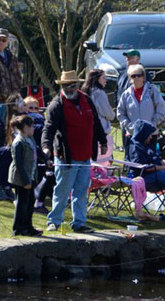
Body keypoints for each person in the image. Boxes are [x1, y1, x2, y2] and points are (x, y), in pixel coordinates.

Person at [42, 70, 107, 234]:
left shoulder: (87, 100)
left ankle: (79, 222)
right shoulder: (57, 105)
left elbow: (96, 123)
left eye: (72, 85)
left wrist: (103, 141)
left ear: (77, 85)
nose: (69, 88)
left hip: (85, 156)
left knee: (81, 192)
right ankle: (54, 221)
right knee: (62, 191)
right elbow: (48, 129)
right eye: (65, 86)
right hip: (66, 157)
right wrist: (46, 147)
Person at [8, 114, 43, 237]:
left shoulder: (30, 139)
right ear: (25, 128)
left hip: (31, 175)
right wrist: (26, 181)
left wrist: (46, 159)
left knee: (30, 203)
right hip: (21, 178)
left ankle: (28, 227)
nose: (34, 129)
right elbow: (19, 164)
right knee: (22, 204)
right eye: (32, 126)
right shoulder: (18, 143)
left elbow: (37, 150)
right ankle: (18, 229)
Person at [117, 64, 165, 139]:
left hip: (151, 135)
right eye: (133, 76)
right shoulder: (125, 94)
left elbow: (162, 110)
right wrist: (129, 126)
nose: (136, 78)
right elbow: (120, 113)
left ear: (143, 77)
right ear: (130, 78)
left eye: (139, 75)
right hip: (132, 135)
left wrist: (151, 126)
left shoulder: (153, 90)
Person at [82, 69, 115, 166]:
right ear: (97, 79)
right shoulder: (99, 93)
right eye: (103, 78)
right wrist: (112, 115)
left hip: (88, 130)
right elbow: (108, 114)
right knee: (103, 162)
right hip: (100, 130)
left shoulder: (84, 92)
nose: (106, 80)